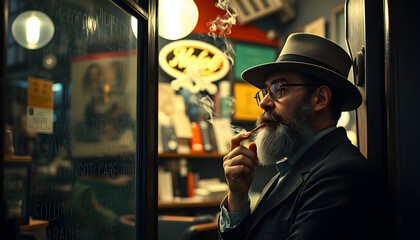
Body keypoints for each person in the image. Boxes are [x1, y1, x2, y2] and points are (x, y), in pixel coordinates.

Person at [218, 33, 383, 239]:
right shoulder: (289, 169)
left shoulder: (341, 174)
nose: (264, 103)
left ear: (320, 98)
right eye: (265, 91)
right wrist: (238, 196)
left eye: (280, 88)